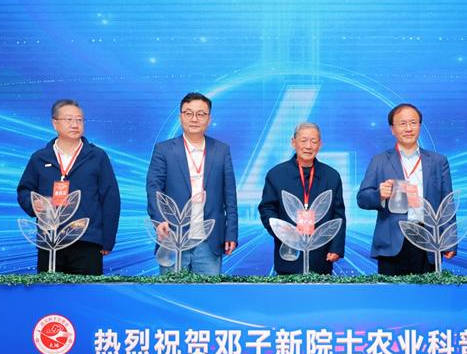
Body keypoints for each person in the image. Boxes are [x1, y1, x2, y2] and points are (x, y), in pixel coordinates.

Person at [17, 99, 121, 275]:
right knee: (50, 291)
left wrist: (107, 239)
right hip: (50, 240)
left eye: (79, 120)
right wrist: (33, 203)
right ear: (54, 123)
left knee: (86, 291)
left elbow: (111, 199)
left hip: (87, 239)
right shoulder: (40, 158)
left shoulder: (97, 156)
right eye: (69, 119)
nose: (75, 124)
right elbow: (24, 191)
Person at [357, 103, 455, 275]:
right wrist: (380, 195)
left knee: (428, 291)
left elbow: (447, 203)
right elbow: (362, 198)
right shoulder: (379, 161)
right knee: (391, 292)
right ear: (392, 129)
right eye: (402, 124)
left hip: (428, 240)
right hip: (392, 241)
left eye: (413, 123)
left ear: (419, 126)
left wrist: (449, 240)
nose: (408, 128)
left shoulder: (438, 161)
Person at [146, 92, 238, 275]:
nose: (194, 119)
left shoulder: (221, 150)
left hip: (209, 239)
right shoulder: (164, 150)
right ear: (180, 117)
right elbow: (153, 187)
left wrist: (231, 233)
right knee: (172, 290)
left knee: (208, 291)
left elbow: (230, 196)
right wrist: (159, 220)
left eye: (201, 114)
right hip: (173, 237)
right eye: (188, 113)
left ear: (209, 119)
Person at [258, 123, 345, 274]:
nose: (308, 146)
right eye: (303, 141)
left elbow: (338, 214)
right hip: (288, 249)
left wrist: (336, 247)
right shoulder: (276, 174)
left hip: (321, 251)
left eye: (314, 141)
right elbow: (267, 208)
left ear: (320, 144)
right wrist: (281, 232)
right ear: (293, 142)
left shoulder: (331, 176)